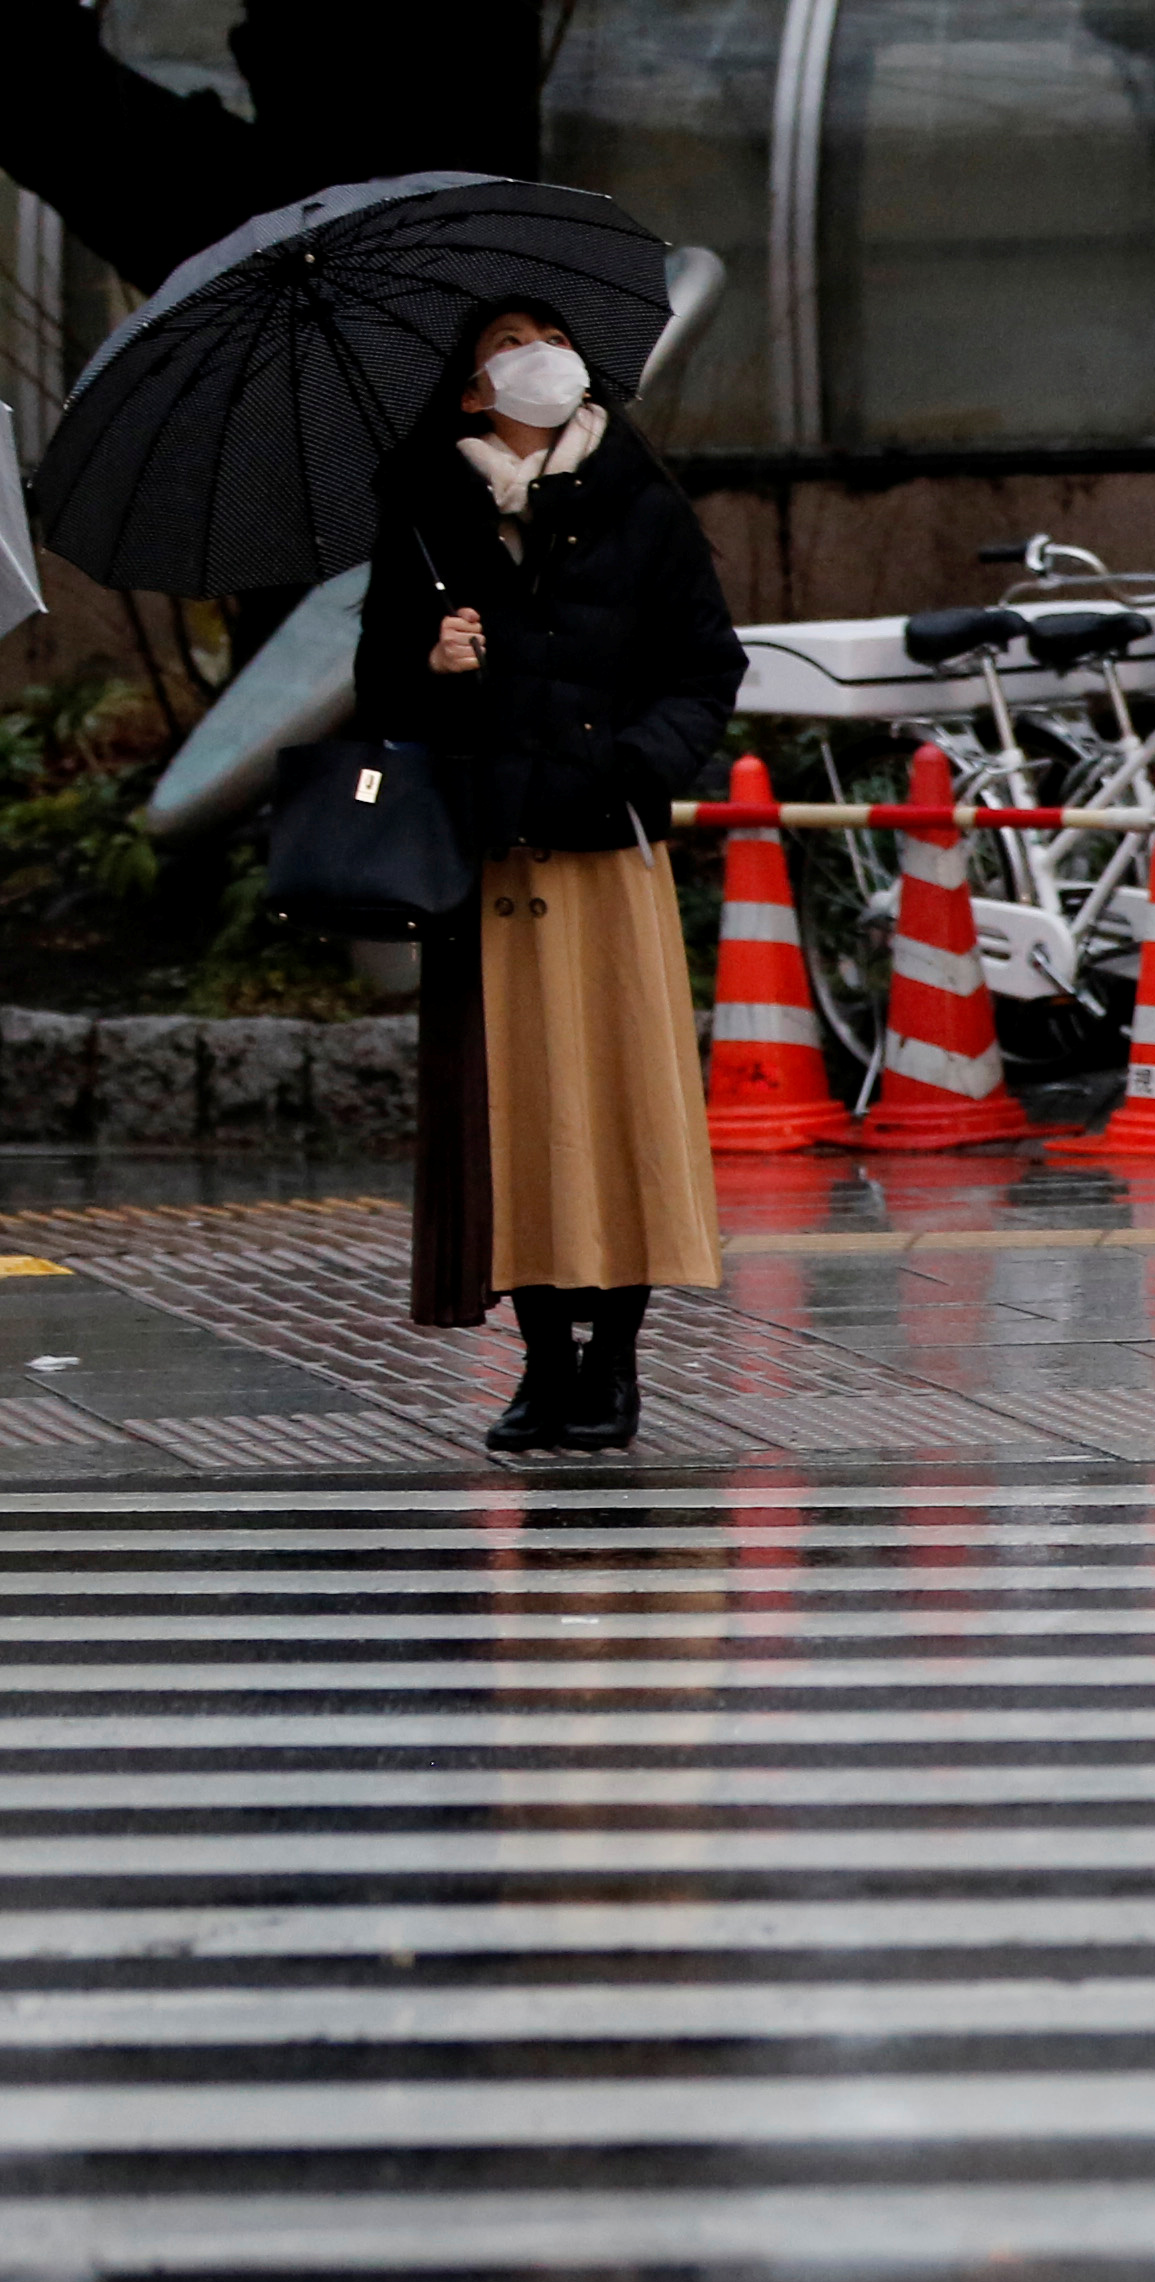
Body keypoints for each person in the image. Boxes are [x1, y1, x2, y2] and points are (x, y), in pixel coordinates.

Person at [353, 296, 744, 1453]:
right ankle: (538, 1366)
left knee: (622, 1107)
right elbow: (381, 694)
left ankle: (615, 1366)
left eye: (549, 343)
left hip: (609, 848)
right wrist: (434, 664)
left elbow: (705, 663)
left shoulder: (641, 502)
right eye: (508, 349)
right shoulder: (425, 517)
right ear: (471, 390)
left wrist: (637, 762)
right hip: (489, 854)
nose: (539, 364)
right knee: (514, 1118)